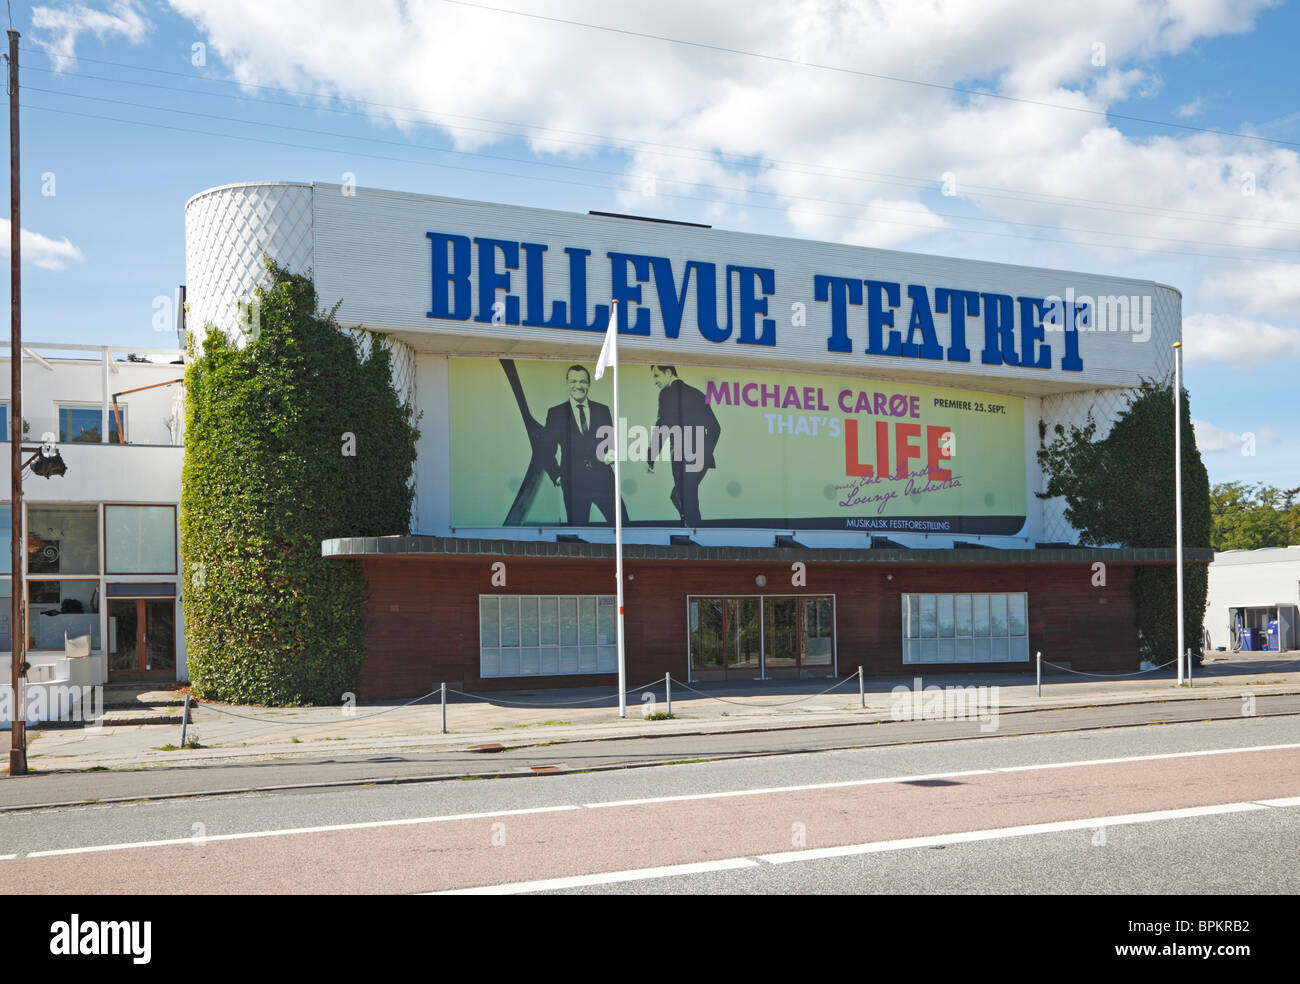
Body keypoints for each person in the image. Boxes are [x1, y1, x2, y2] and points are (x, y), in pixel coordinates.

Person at [538, 364, 627, 525]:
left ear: (589, 384)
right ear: (567, 383)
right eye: (573, 381)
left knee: (623, 525)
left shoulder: (602, 410)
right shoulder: (556, 413)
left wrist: (612, 454)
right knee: (578, 530)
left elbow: (611, 441)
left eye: (583, 382)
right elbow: (545, 450)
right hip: (573, 483)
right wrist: (557, 476)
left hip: (603, 479)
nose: (578, 386)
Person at [647, 365, 721, 527]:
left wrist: (651, 456)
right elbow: (715, 427)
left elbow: (662, 426)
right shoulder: (698, 394)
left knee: (686, 498)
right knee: (682, 496)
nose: (655, 381)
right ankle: (691, 531)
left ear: (668, 373)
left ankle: (693, 535)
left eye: (656, 376)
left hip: (682, 455)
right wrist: (703, 452)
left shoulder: (666, 393)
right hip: (702, 458)